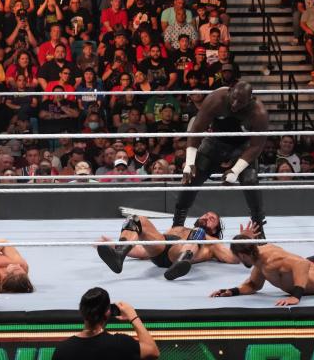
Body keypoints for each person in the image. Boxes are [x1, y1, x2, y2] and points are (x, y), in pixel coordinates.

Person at [175, 80, 269, 232]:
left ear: (250, 100)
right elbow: (196, 129)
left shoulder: (259, 113)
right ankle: (177, 225)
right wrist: (189, 162)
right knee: (191, 175)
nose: (235, 104)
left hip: (241, 150)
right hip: (214, 144)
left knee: (251, 179)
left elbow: (256, 146)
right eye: (234, 98)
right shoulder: (216, 99)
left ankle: (258, 229)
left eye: (241, 102)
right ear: (230, 90)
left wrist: (236, 170)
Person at [96, 211, 237, 281]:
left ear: (214, 229)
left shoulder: (212, 242)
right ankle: (119, 255)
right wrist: (113, 246)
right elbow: (144, 251)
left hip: (178, 254)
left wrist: (247, 241)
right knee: (136, 219)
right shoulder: (178, 229)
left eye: (211, 219)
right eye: (205, 215)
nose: (206, 217)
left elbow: (233, 258)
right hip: (160, 250)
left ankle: (182, 261)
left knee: (198, 232)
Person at [52, 286, 159, 360]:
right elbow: (153, 351)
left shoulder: (62, 350)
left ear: (81, 311)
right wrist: (133, 316)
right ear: (108, 312)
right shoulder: (121, 344)